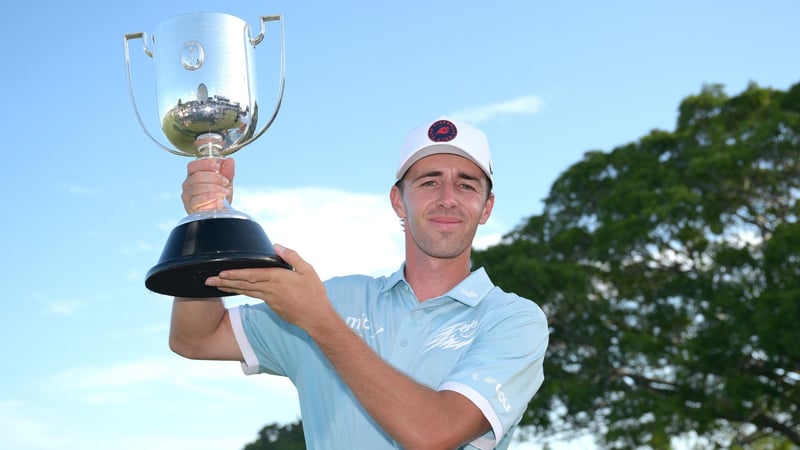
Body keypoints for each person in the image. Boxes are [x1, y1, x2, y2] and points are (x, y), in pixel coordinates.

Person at [170, 116, 549, 449]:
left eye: (466, 185)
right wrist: (207, 223)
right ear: (398, 201)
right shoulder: (333, 298)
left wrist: (319, 322)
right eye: (429, 182)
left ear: (486, 207)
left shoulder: (513, 320)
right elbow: (196, 338)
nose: (447, 199)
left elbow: (434, 434)